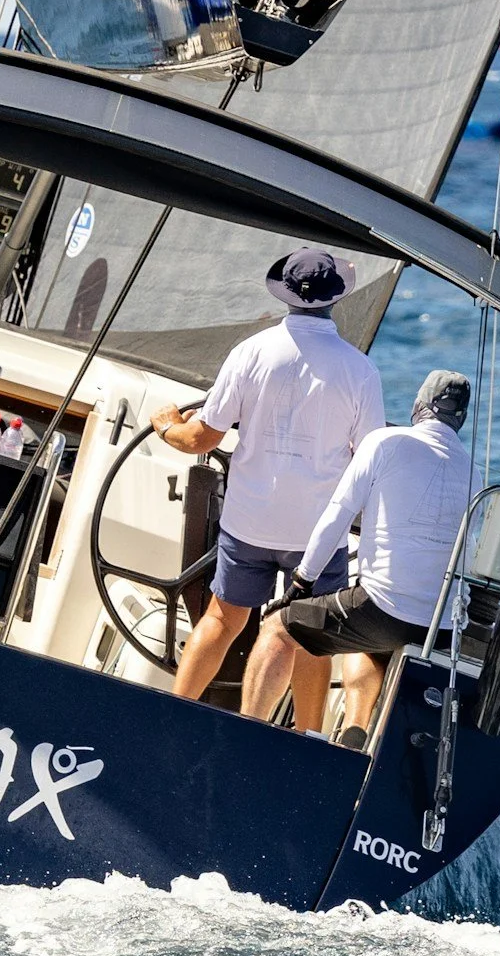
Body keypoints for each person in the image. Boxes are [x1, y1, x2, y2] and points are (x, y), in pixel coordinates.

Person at [150, 249, 386, 705]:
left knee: (222, 620)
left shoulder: (250, 352)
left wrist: (165, 424)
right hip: (316, 535)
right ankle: (307, 738)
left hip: (250, 522)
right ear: (335, 299)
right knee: (312, 637)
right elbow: (369, 458)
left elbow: (200, 438)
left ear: (285, 296)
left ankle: (171, 711)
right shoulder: (360, 371)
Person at [247, 370, 475, 748]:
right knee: (364, 637)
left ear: (418, 407)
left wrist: (302, 582)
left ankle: (244, 731)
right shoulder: (474, 471)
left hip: (383, 608)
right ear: (460, 419)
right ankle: (356, 727)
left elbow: (337, 515)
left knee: (277, 629)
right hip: (440, 627)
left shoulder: (385, 442)